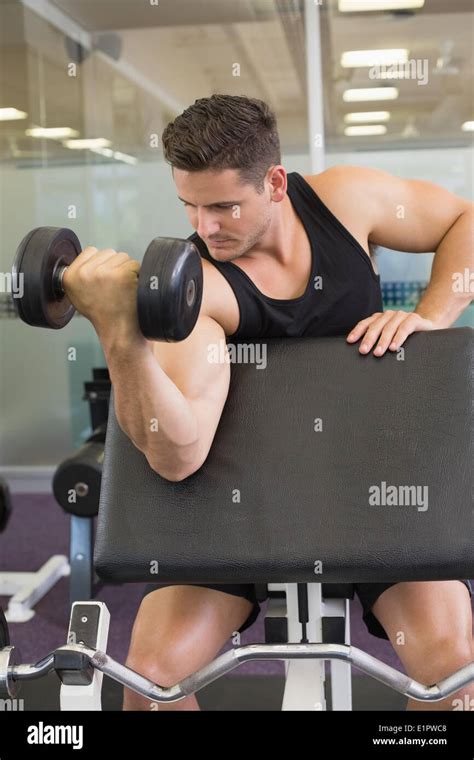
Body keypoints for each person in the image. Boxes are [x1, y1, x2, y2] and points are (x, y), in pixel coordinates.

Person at [63, 94, 473, 711]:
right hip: (243, 504)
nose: (206, 228)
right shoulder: (199, 290)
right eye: (191, 207)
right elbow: (178, 455)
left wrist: (431, 318)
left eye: (225, 206)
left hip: (375, 492)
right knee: (151, 681)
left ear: (276, 183)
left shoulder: (346, 200)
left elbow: (464, 221)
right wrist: (121, 335)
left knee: (453, 676)